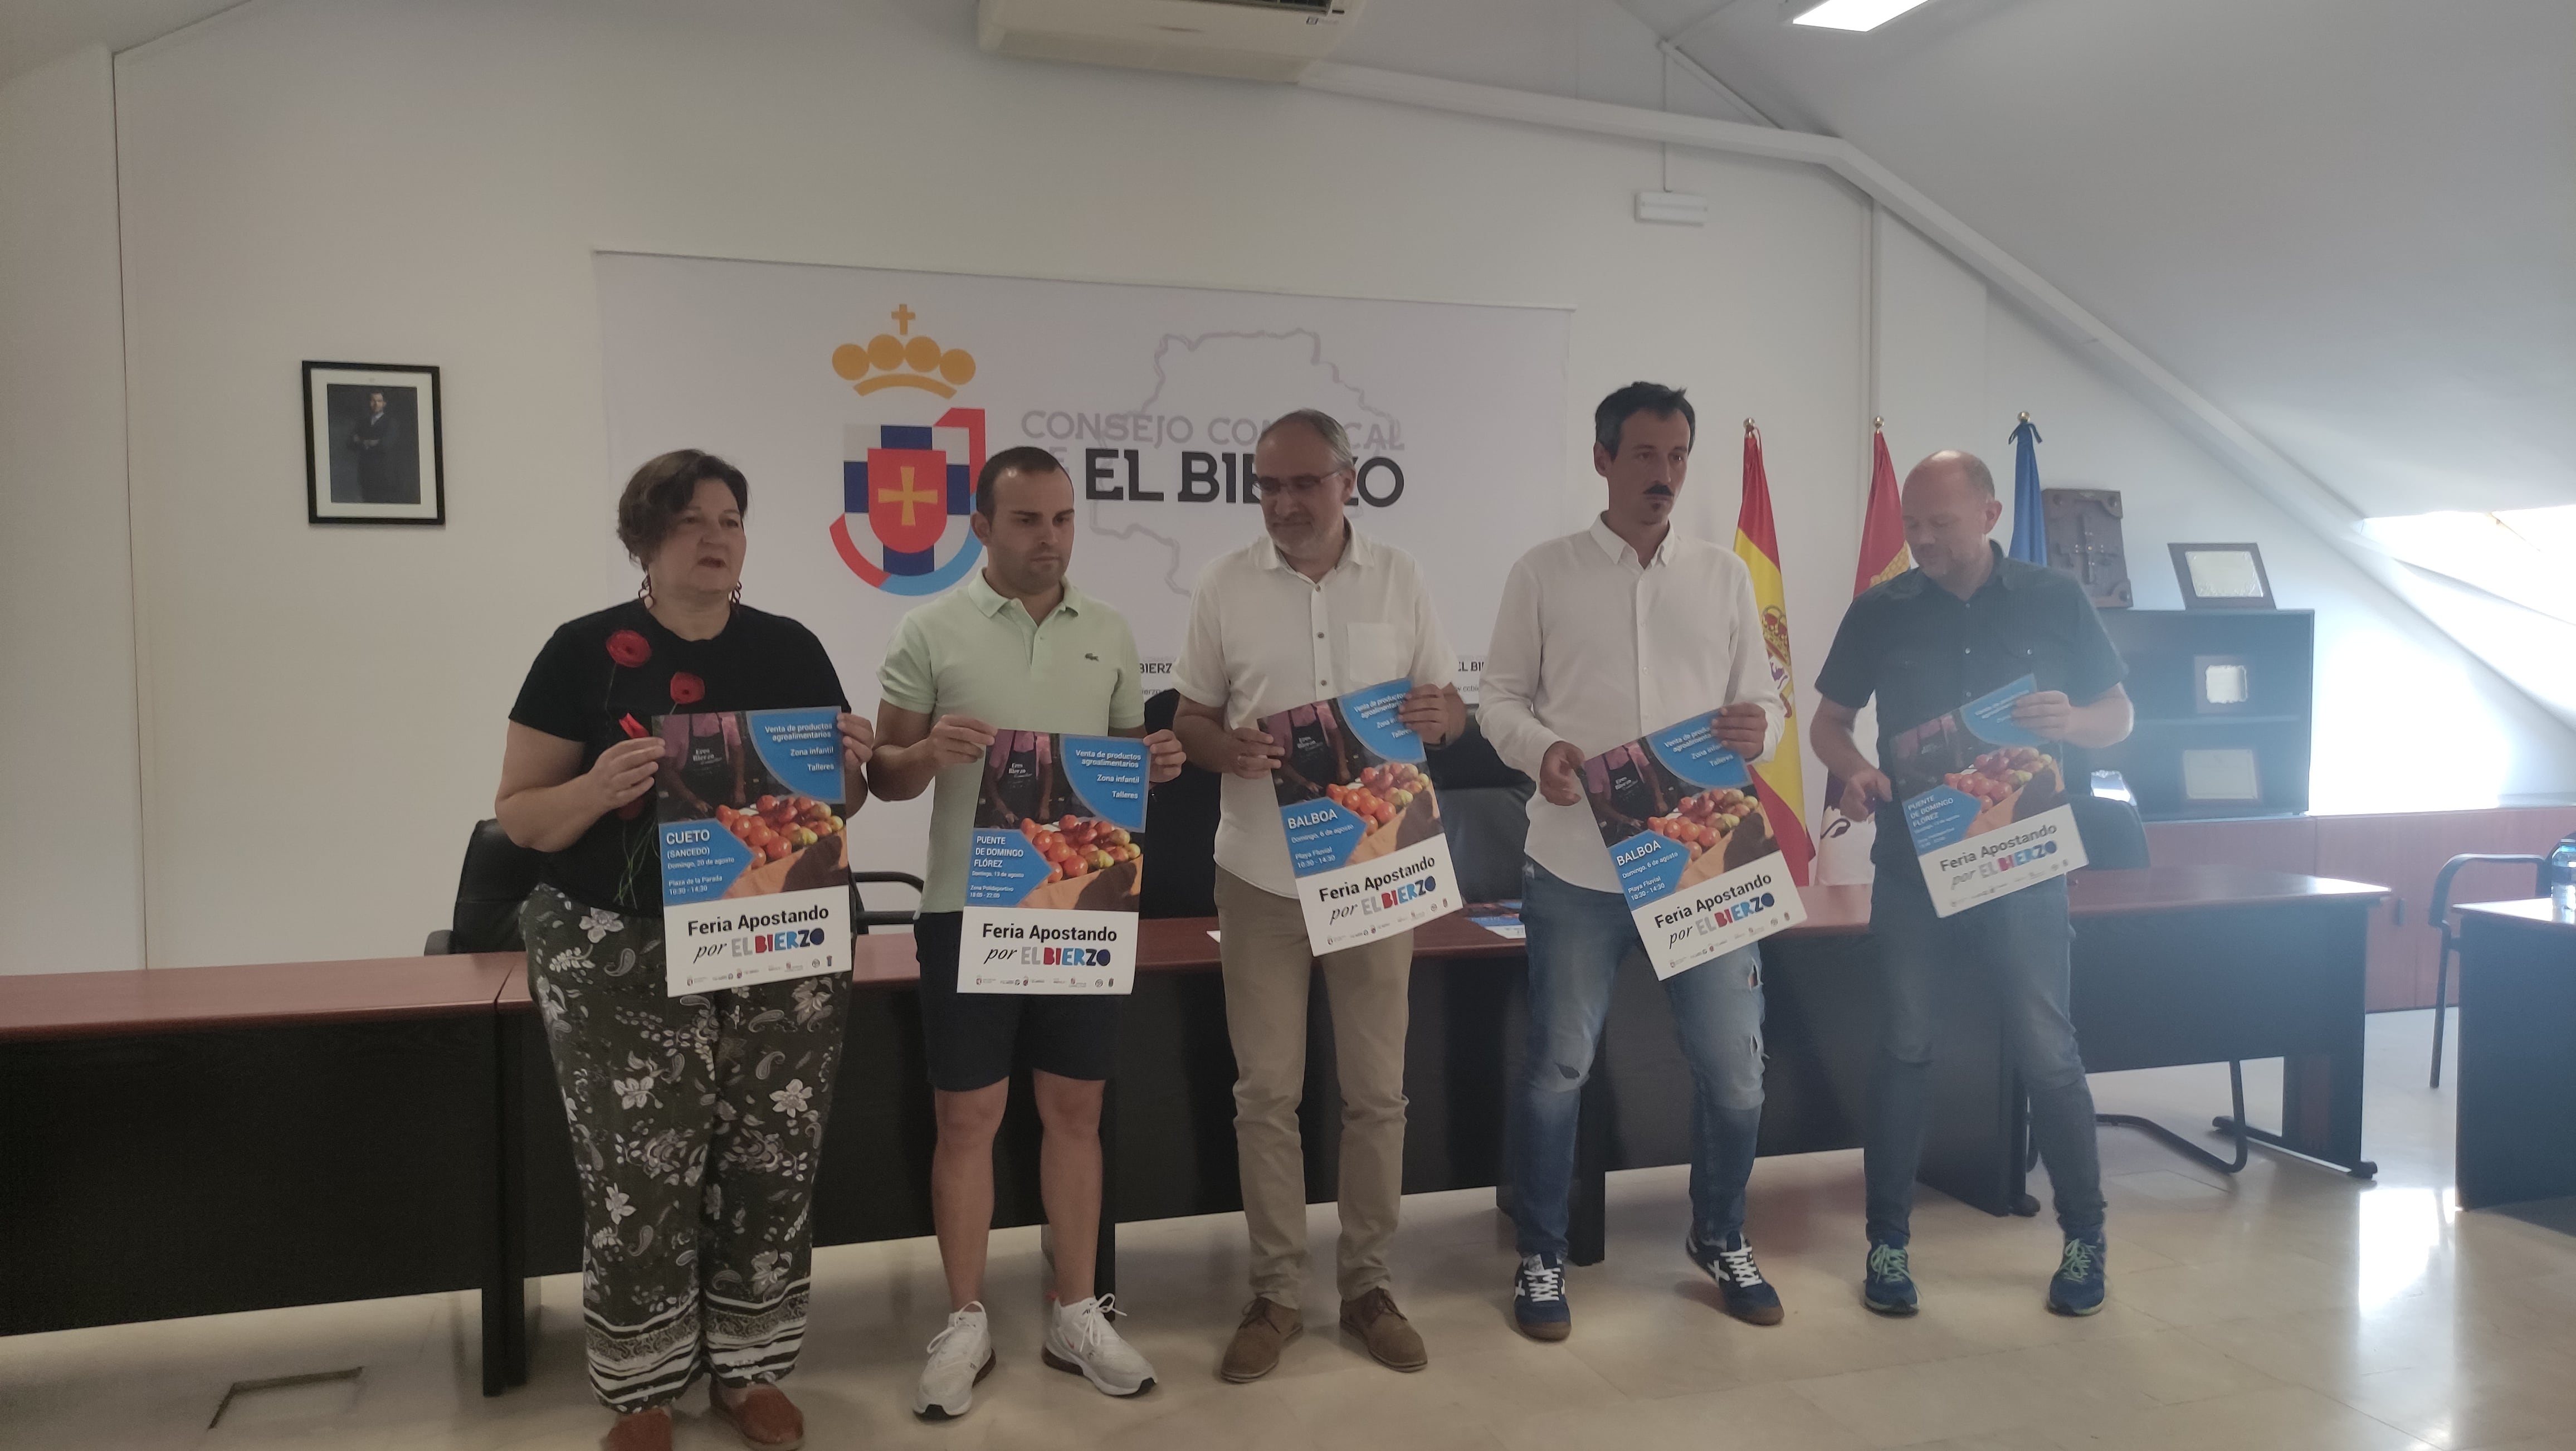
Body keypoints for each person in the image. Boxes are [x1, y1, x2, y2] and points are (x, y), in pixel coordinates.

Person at [495, 449, 876, 1451]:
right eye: (690, 520)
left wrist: (850, 766)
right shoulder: (582, 652)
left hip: (775, 933)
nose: (716, 537)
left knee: (770, 1152)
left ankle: (750, 1368)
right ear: (643, 539)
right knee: (640, 1165)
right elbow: (522, 817)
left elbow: (839, 804)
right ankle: (643, 1382)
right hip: (620, 950)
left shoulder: (790, 647)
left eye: (732, 518)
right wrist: (595, 789)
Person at [870, 445, 1185, 1420]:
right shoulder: (930, 628)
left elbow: (1123, 761)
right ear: (981, 525)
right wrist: (923, 749)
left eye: (1061, 519)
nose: (1047, 539)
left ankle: (1072, 1308)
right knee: (966, 1118)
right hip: (965, 908)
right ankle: (963, 1316)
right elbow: (882, 772)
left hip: (1082, 900)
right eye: (1025, 521)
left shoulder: (1113, 631)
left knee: (1075, 1112)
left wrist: (1156, 759)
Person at [1477, 382, 1787, 1342]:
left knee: (1735, 1074)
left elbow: (1763, 707)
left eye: (1677, 456)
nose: (1663, 474)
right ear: (1605, 459)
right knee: (1558, 1067)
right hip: (1575, 865)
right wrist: (1543, 753)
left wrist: (1757, 725)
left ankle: (1720, 1233)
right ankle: (1541, 1250)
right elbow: (1495, 700)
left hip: (1703, 858)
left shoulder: (1724, 576)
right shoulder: (1543, 570)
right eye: (1645, 455)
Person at [1170, 408, 1465, 1383]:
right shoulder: (1223, 583)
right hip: (1257, 872)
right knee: (1265, 1092)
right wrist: (1228, 747)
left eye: (1303, 484)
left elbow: (1447, 705)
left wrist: (1441, 712)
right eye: (1267, 486)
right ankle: (1275, 1291)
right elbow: (1190, 717)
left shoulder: (1400, 576)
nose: (1284, 504)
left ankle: (1368, 1284)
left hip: (1375, 867)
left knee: (1376, 1092)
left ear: (1349, 480)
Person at [1809, 449, 2135, 1318]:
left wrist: (2077, 721)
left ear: (1990, 516)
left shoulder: (2055, 599)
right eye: (1912, 524)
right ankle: (1887, 1245)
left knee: (2046, 1048)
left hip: (2023, 860)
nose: (1921, 540)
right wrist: (1853, 773)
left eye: (1940, 525)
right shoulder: (1880, 611)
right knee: (1905, 1046)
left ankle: (2084, 1238)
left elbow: (2119, 715)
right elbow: (1829, 726)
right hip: (1913, 863)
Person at [346, 389, 407, 503]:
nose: (376, 404)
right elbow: (350, 444)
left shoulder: (391, 423)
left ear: (384, 403)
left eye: (379, 401)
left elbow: (385, 445)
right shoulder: (362, 423)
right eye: (373, 401)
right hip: (366, 473)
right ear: (369, 403)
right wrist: (372, 441)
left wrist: (361, 441)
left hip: (384, 474)